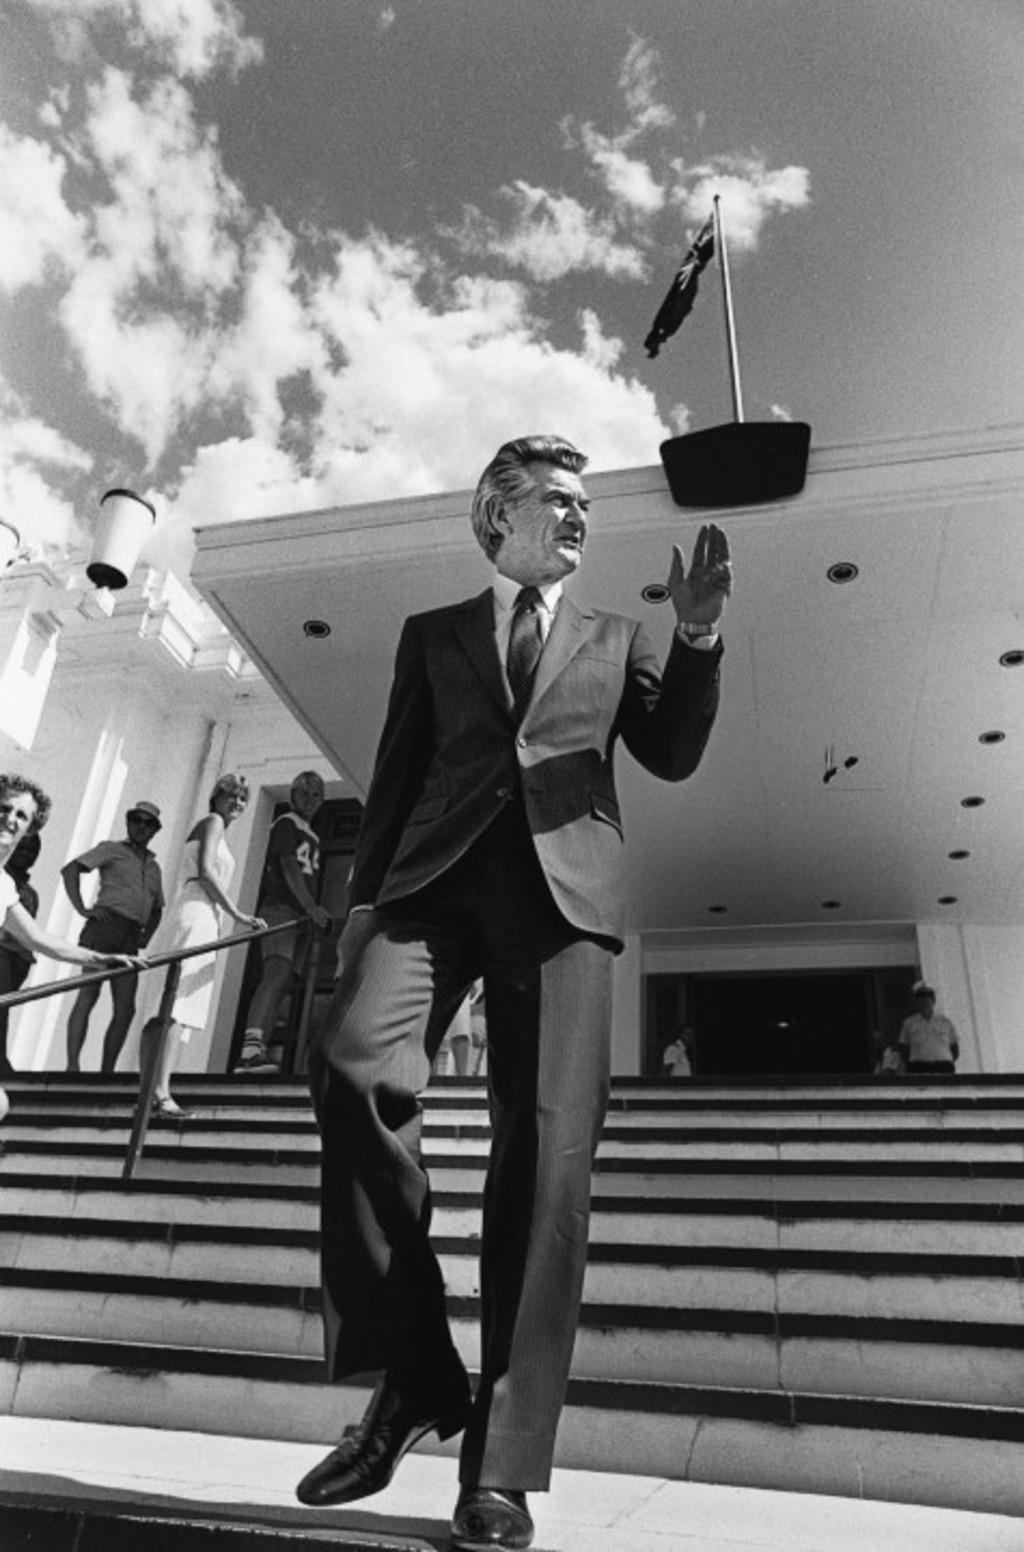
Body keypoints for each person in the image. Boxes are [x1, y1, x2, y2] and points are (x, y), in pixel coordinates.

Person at [296, 433, 731, 1552]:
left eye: (585, 502)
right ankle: (415, 1375)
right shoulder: (431, 634)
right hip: (428, 891)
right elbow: (395, 777)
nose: (579, 516)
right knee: (352, 1070)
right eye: (555, 499)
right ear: (497, 515)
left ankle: (500, 1469)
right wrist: (358, 917)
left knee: (546, 1166)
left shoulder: (615, 634)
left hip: (562, 902)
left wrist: (694, 635)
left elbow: (673, 752)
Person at [0, 775, 144, 1120]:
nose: (11, 819)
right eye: (5, 808)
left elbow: (37, 939)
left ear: (31, 829)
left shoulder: (4, 884)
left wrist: (102, 959)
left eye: (22, 815)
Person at [140, 774, 265, 1119]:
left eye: (243, 799)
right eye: (232, 796)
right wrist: (238, 913)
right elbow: (206, 873)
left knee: (178, 1008)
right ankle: (159, 1093)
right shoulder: (211, 821)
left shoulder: (220, 828)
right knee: (173, 1004)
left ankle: (155, 1091)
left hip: (204, 915)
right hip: (195, 910)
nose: (237, 803)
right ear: (217, 797)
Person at [232, 770, 331, 1073]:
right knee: (275, 974)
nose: (311, 800)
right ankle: (249, 1051)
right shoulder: (286, 823)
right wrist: (311, 906)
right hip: (280, 910)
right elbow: (288, 865)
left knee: (286, 979)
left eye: (317, 795)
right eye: (304, 793)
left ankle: (260, 1047)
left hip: (300, 917)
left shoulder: (312, 833)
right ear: (292, 795)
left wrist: (310, 913)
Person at [62, 801, 165, 1073]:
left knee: (125, 1008)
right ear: (128, 822)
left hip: (130, 935)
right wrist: (82, 908)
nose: (141, 826)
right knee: (89, 994)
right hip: (105, 925)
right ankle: (72, 1065)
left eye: (148, 823)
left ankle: (107, 1070)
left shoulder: (154, 867)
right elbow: (71, 870)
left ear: (155, 830)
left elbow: (157, 908)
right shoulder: (112, 849)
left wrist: (145, 937)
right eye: (136, 820)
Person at [0, 831, 41, 1077]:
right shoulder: (4, 882)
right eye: (22, 848)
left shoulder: (30, 893)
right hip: (1, 953)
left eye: (32, 851)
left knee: (5, 1006)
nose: (26, 855)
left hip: (19, 960)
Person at [897, 982, 960, 1074]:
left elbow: (954, 1049)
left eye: (928, 998)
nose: (925, 1001)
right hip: (918, 1068)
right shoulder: (909, 1023)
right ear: (917, 1002)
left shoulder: (946, 1023)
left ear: (934, 1001)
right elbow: (903, 1049)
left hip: (943, 1067)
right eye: (921, 998)